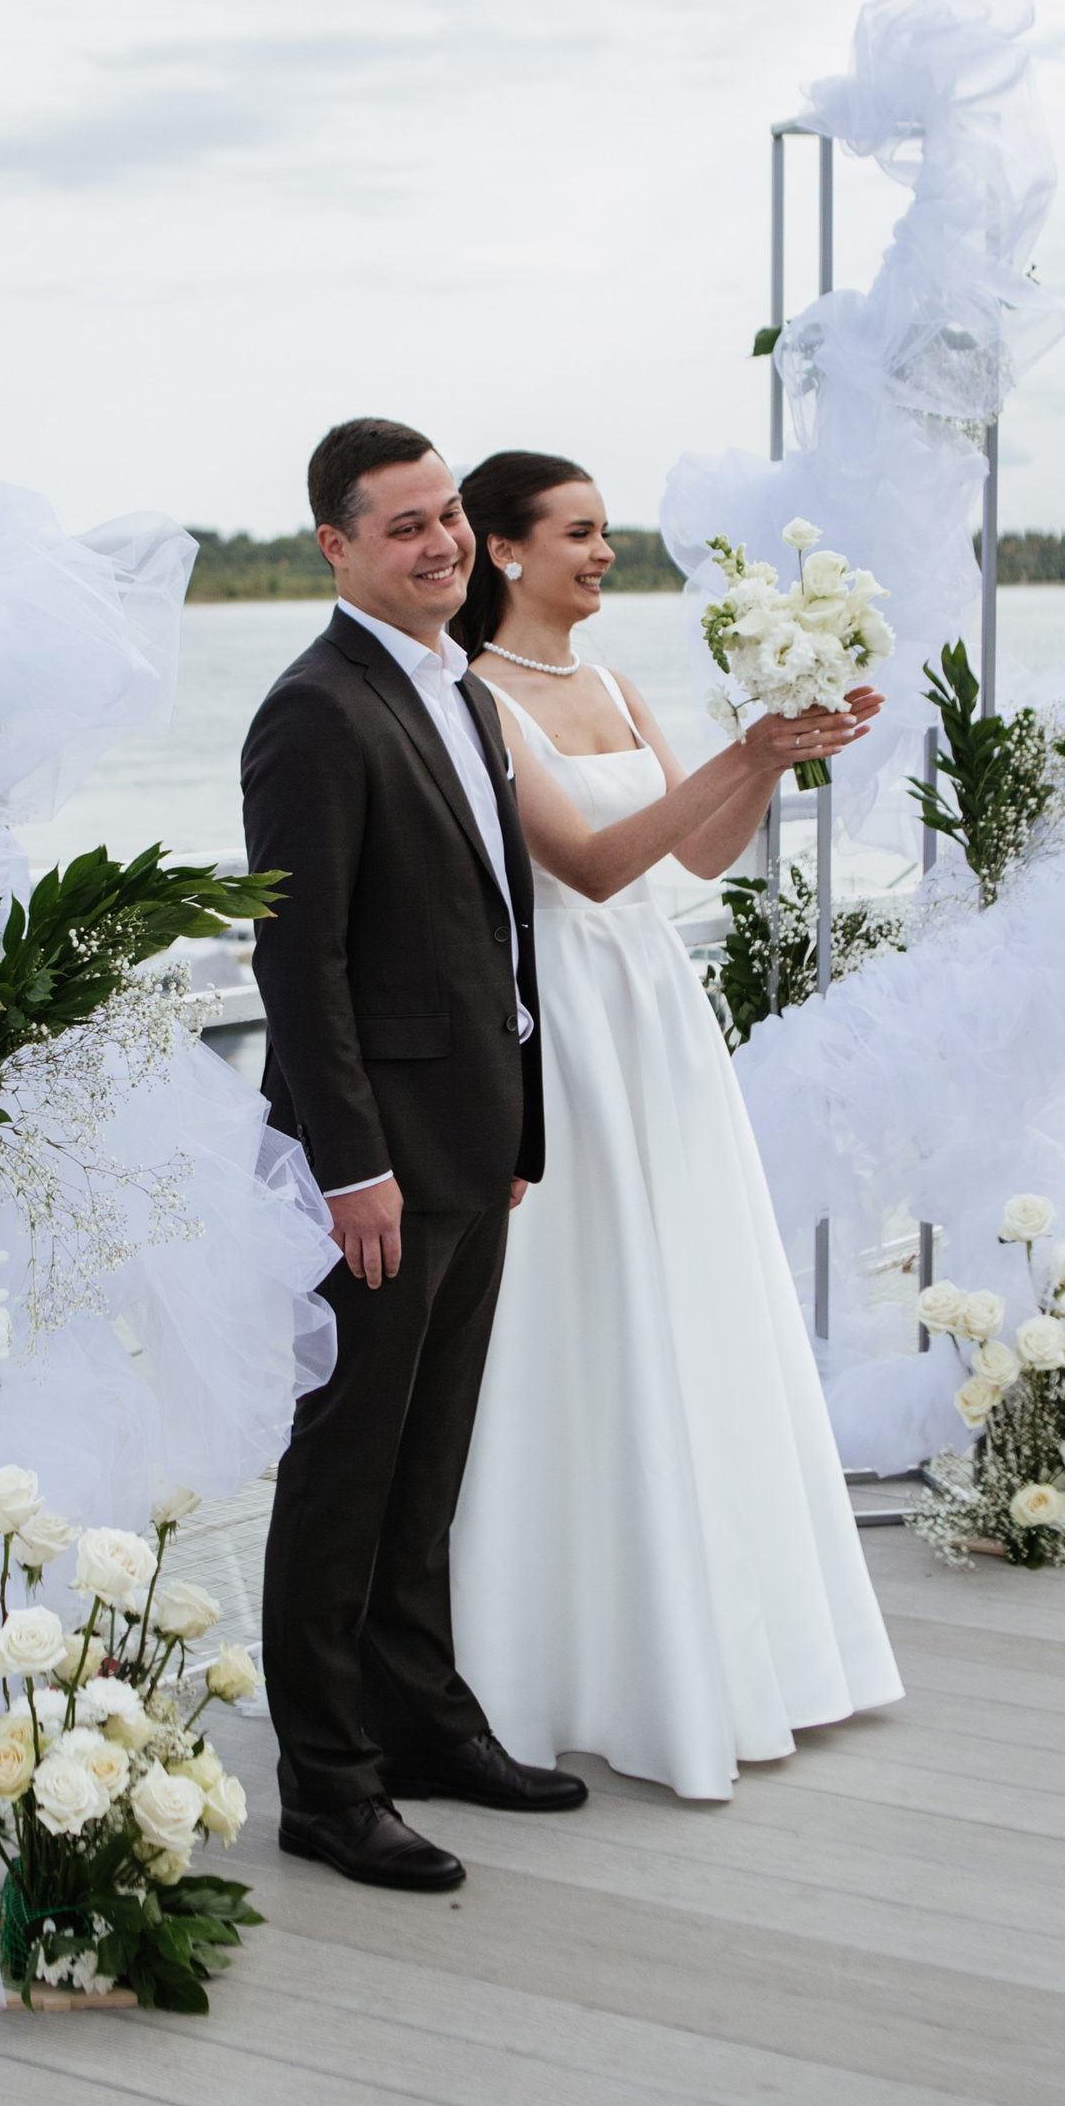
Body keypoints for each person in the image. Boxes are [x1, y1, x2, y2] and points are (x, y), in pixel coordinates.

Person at [240, 420, 819, 1890]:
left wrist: (522, 1124)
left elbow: (501, 934)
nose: (435, 543)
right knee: (347, 1466)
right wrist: (349, 1166)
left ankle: (428, 1718)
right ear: (337, 546)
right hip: (380, 1161)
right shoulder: (315, 710)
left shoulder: (452, 688)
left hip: (481, 1134)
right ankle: (328, 1778)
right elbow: (298, 964)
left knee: (431, 1462)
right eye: (405, 526)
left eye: (446, 517)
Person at [447, 450, 905, 1799]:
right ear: (507, 552)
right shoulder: (478, 697)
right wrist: (743, 750)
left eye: (604, 531)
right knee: (590, 1310)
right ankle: (561, 1656)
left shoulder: (609, 683)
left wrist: (772, 758)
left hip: (658, 1013)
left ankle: (724, 1627)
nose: (604, 553)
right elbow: (585, 865)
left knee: (695, 1297)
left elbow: (697, 854)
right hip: (572, 1025)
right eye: (579, 533)